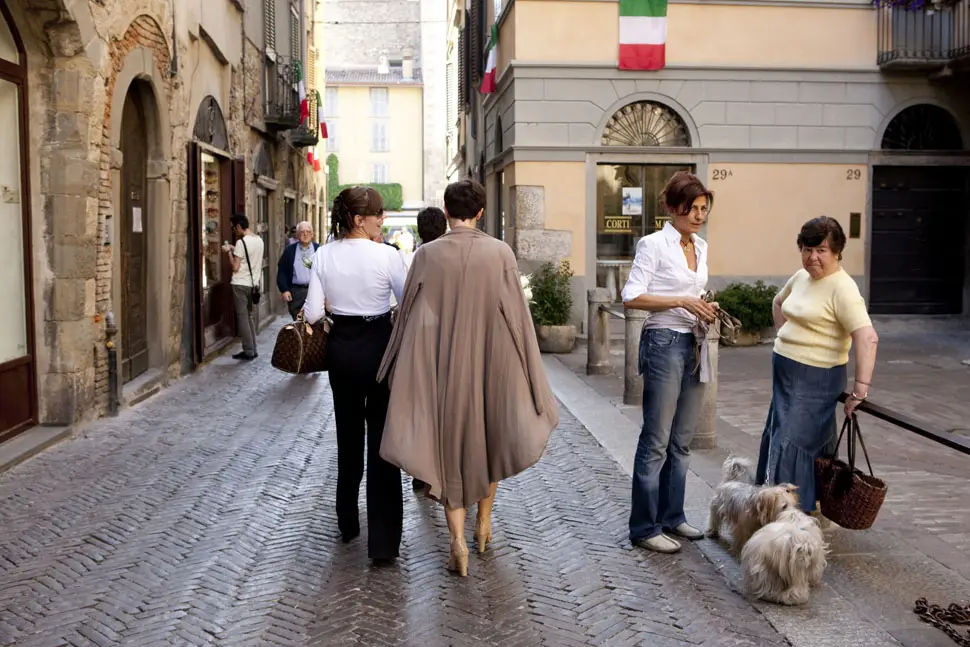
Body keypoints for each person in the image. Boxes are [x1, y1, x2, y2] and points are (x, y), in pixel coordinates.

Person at [376, 179, 558, 577]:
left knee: (449, 448)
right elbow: (518, 318)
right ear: (480, 212)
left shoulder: (427, 254)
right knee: (491, 439)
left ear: (446, 212)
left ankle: (455, 540)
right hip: (493, 360)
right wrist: (531, 372)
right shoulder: (500, 253)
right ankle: (483, 524)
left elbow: (407, 314)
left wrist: (396, 365)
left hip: (444, 362)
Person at [303, 186, 407, 564]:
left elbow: (313, 313)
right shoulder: (388, 256)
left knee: (349, 437)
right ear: (360, 219)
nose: (383, 219)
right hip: (379, 348)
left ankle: (347, 522)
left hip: (342, 350)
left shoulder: (324, 254)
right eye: (379, 213)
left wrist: (334, 309)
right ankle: (383, 544)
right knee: (382, 442)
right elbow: (407, 302)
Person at [621, 171, 718, 554]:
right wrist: (680, 300)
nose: (697, 216)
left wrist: (703, 306)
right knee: (656, 439)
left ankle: (673, 517)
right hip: (662, 343)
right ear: (672, 207)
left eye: (703, 209)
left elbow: (692, 292)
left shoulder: (702, 246)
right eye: (691, 208)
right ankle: (645, 527)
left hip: (694, 342)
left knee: (682, 440)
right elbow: (631, 296)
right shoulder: (653, 244)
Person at [756, 216, 879, 515]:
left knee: (794, 440)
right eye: (807, 249)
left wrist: (860, 391)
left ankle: (791, 515)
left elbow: (867, 337)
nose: (813, 257)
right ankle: (776, 507)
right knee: (780, 434)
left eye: (821, 250)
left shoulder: (843, 288)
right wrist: (785, 336)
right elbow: (778, 302)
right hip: (786, 373)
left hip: (818, 378)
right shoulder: (800, 278)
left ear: (837, 251)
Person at [406, 206, 448, 493]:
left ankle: (422, 470)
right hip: (449, 337)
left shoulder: (416, 258)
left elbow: (406, 298)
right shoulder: (452, 256)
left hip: (422, 338)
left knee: (423, 406)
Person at [223, 214, 264, 361]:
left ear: (239, 227)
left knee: (242, 318)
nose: (233, 231)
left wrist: (228, 251)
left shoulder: (242, 242)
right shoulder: (259, 240)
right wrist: (234, 248)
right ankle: (253, 348)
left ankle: (248, 351)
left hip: (240, 284)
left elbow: (235, 267)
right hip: (253, 285)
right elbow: (249, 256)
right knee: (249, 317)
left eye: (234, 228)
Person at [277, 221, 320, 320]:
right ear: (296, 235)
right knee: (298, 322)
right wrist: (284, 290)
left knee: (315, 322)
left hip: (315, 291)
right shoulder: (289, 251)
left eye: (308, 232)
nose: (305, 234)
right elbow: (282, 271)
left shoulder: (319, 249)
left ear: (312, 234)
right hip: (296, 293)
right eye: (302, 232)